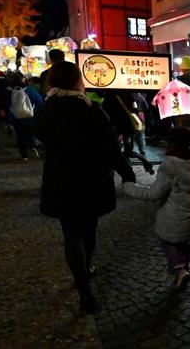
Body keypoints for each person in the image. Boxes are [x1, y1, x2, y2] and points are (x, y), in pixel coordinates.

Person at [34, 61, 138, 313]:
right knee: (89, 230)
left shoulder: (46, 110)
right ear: (77, 81)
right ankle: (87, 266)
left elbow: (40, 137)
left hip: (61, 181)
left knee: (71, 235)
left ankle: (84, 291)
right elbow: (111, 147)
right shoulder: (91, 110)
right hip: (92, 180)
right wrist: (127, 172)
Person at [122, 126, 190, 290]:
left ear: (174, 145)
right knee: (183, 243)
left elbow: (154, 193)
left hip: (172, 217)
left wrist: (129, 187)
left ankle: (179, 269)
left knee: (168, 242)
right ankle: (185, 267)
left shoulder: (171, 167)